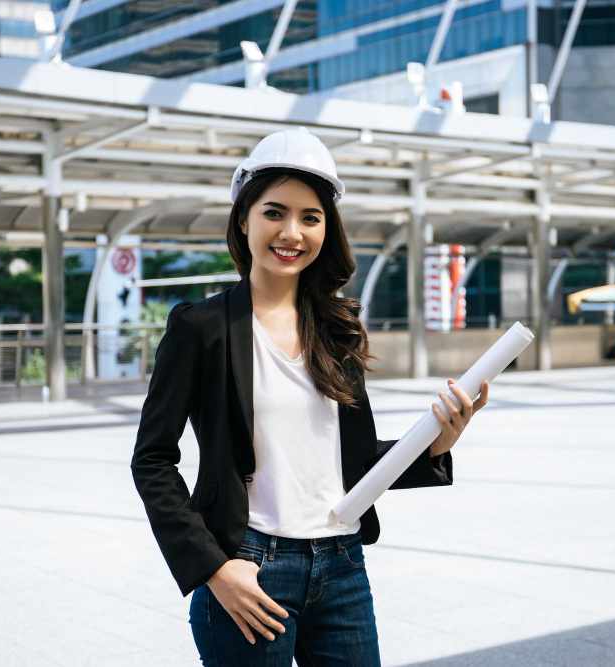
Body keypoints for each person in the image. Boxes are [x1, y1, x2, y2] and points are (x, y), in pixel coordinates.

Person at [130, 127, 490, 666]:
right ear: (244, 218)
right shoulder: (201, 327)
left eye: (310, 217)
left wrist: (437, 443)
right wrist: (212, 568)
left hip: (342, 566)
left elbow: (348, 462)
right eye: (274, 212)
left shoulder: (337, 328)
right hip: (249, 567)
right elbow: (153, 459)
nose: (291, 231)